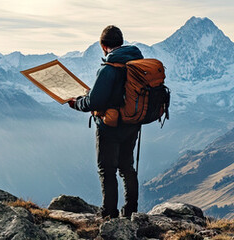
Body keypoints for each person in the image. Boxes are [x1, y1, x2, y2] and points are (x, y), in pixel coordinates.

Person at [66, 25, 142, 219]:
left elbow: (95, 102)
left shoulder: (108, 69)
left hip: (109, 126)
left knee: (107, 170)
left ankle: (109, 213)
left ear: (103, 46)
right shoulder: (136, 64)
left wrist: (77, 103)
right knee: (127, 167)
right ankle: (131, 210)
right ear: (121, 43)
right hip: (132, 123)